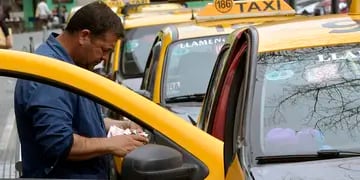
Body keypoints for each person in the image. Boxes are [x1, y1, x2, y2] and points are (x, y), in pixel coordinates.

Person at [14, 1, 148, 178]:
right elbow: (60, 143)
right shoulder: (51, 74)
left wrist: (122, 125)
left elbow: (79, 120)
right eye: (104, 50)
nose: (104, 59)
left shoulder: (71, 66)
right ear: (84, 36)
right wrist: (112, 144)